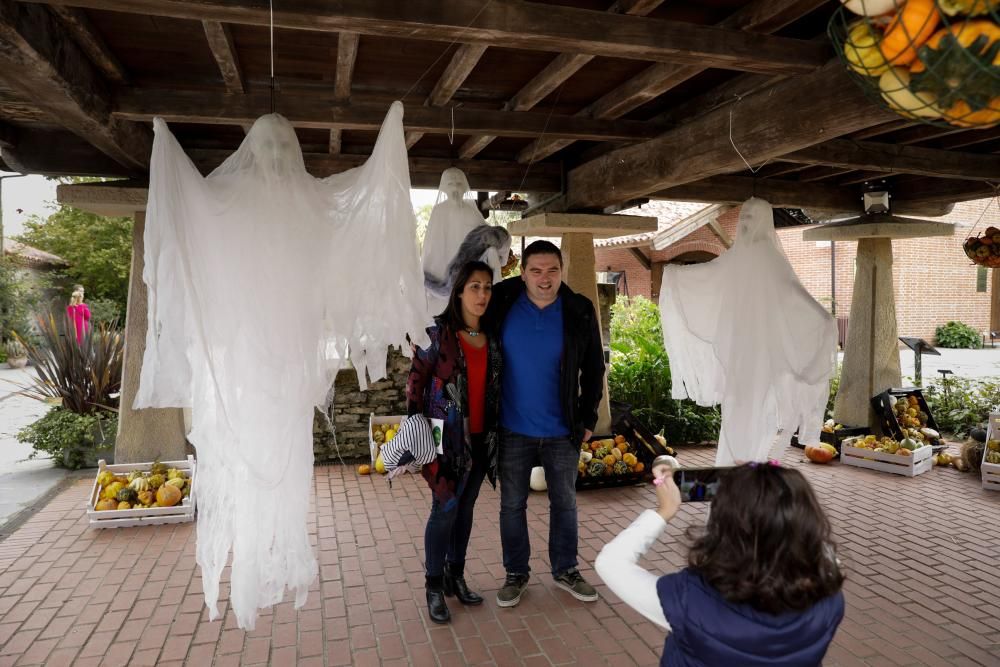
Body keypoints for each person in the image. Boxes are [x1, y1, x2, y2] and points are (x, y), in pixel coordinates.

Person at [595, 463, 845, 666]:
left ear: (725, 529)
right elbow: (812, 545)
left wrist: (665, 510)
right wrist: (765, 489)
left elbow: (611, 562)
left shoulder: (688, 602)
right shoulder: (829, 595)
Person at [484, 240, 606, 608]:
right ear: (522, 274)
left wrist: (587, 418)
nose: (544, 278)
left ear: (562, 271)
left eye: (552, 270)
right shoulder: (502, 302)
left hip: (561, 431)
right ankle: (516, 574)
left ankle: (566, 569)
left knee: (565, 504)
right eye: (536, 270)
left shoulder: (578, 309)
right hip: (511, 428)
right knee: (511, 505)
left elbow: (595, 367)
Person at [406, 260, 502, 624]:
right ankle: (433, 586)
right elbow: (415, 384)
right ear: (459, 291)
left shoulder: (491, 338)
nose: (482, 294)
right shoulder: (437, 334)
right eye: (474, 286)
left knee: (465, 511)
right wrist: (417, 429)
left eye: (487, 287)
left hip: (481, 440)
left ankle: (454, 576)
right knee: (444, 510)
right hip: (445, 443)